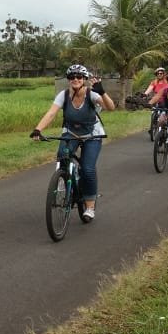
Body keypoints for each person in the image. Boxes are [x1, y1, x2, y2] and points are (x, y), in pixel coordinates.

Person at [30, 63, 116, 221]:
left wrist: (102, 92)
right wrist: (38, 129)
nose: (75, 79)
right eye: (71, 77)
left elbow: (111, 107)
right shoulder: (63, 95)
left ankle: (89, 206)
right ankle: (65, 178)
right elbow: (51, 113)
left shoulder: (92, 94)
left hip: (92, 134)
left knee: (88, 169)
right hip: (70, 132)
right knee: (62, 155)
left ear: (84, 79)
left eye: (79, 77)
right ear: (68, 80)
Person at [143, 67, 168, 138]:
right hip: (156, 101)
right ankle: (152, 128)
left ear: (164, 74)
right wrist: (145, 94)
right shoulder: (154, 82)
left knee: (166, 115)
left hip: (165, 101)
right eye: (158, 73)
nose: (159, 74)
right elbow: (150, 88)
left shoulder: (167, 81)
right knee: (153, 113)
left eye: (161, 73)